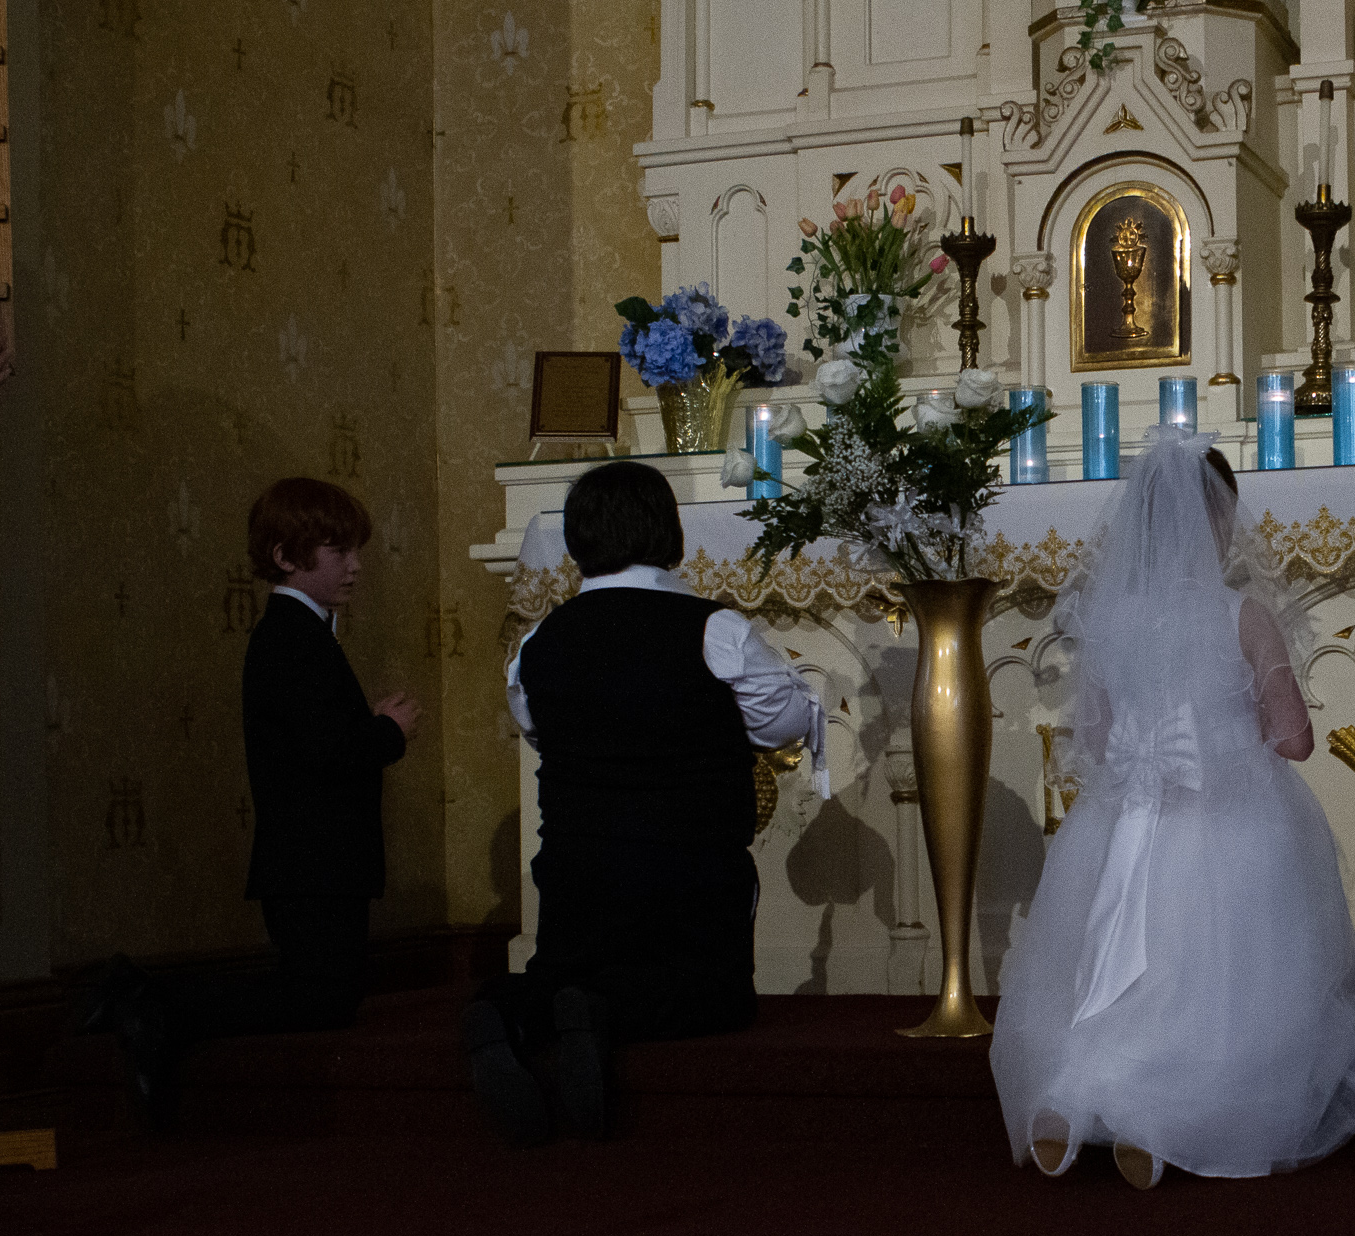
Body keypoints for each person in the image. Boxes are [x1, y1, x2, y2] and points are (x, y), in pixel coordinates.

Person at [989, 426, 1355, 1190]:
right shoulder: (1242, 615)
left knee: (1106, 969)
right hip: (1227, 824)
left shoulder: (1113, 618)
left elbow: (1095, 739)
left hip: (1122, 828)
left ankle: (1069, 1100)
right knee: (1213, 983)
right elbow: (1296, 738)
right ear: (1219, 520)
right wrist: (1236, 739)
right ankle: (1159, 1117)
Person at [466, 460, 823, 1145]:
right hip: (687, 880)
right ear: (669, 533)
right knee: (715, 1000)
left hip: (577, 886)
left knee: (560, 978)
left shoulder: (539, 643)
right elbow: (781, 725)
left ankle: (506, 1013)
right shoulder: (714, 631)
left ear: (577, 542)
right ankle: (600, 1012)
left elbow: (540, 731)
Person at [74, 478, 421, 1125]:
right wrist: (387, 732)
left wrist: (366, 728)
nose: (356, 565)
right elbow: (325, 751)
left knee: (325, 993)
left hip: (316, 857)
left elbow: (312, 737)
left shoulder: (301, 633)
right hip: (310, 857)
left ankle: (145, 998)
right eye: (338, 550)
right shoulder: (291, 637)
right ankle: (149, 1002)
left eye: (355, 549)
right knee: (319, 995)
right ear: (286, 556)